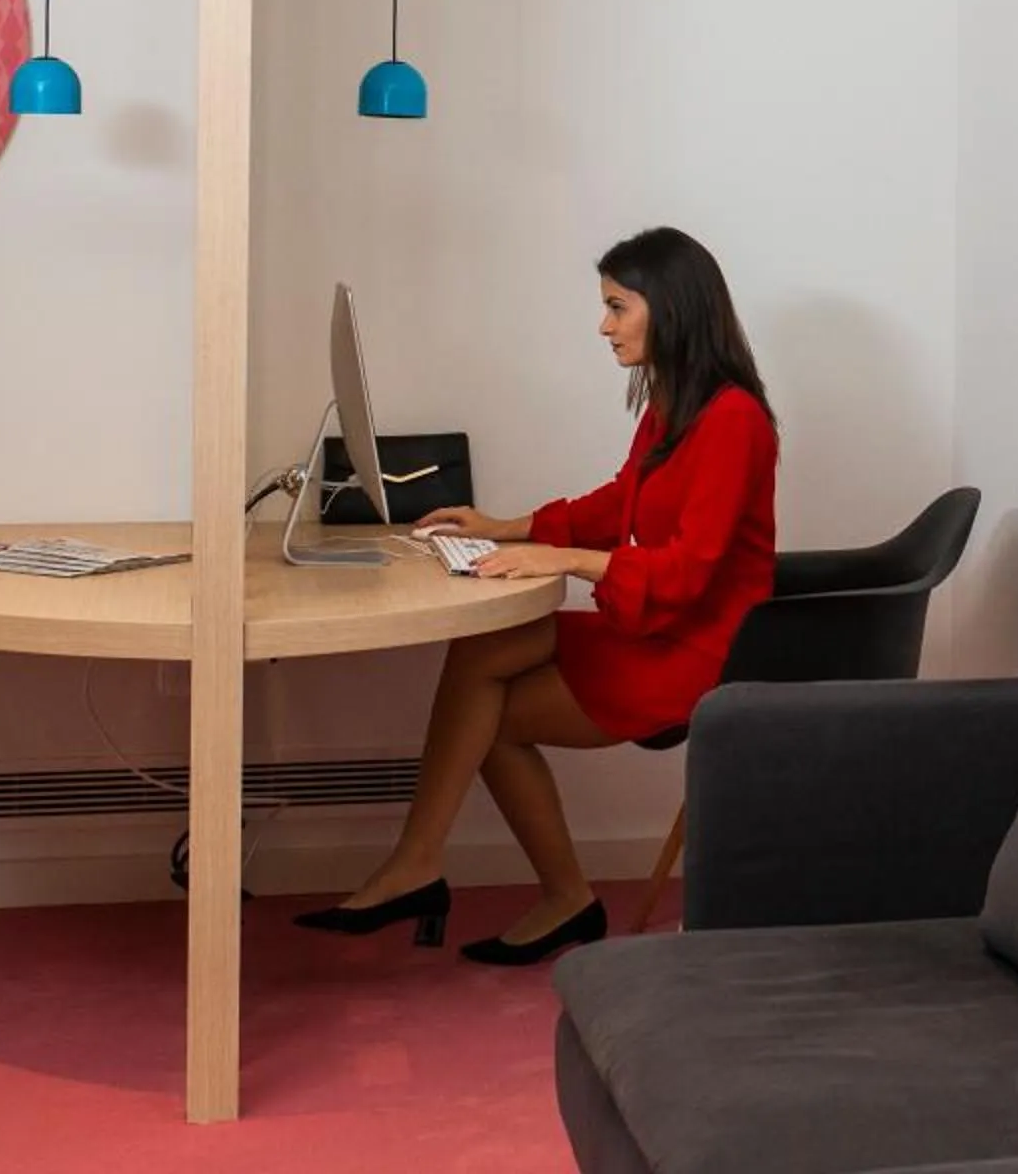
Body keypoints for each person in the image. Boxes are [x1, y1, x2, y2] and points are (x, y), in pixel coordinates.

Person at [296, 227, 778, 962]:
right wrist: (506, 526)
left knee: (488, 719)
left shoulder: (734, 420)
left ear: (671, 308)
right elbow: (621, 500)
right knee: (482, 648)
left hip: (696, 653)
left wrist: (563, 559)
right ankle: (422, 865)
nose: (604, 326)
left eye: (617, 307)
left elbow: (688, 572)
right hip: (653, 629)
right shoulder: (675, 405)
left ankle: (541, 893)